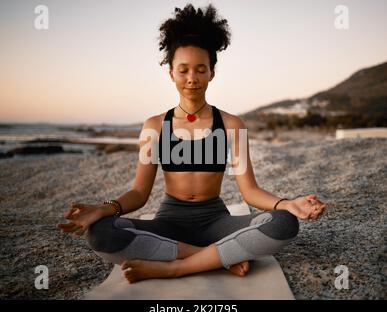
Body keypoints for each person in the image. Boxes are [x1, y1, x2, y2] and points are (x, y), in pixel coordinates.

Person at [57, 3, 326, 283]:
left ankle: (177, 266)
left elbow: (250, 191)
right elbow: (139, 193)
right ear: (171, 73)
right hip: (169, 222)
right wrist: (104, 208)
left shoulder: (233, 125)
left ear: (212, 72)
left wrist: (287, 203)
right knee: (100, 232)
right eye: (183, 69)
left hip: (217, 222)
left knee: (283, 223)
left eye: (200, 69)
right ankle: (211, 257)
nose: (191, 78)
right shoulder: (155, 127)